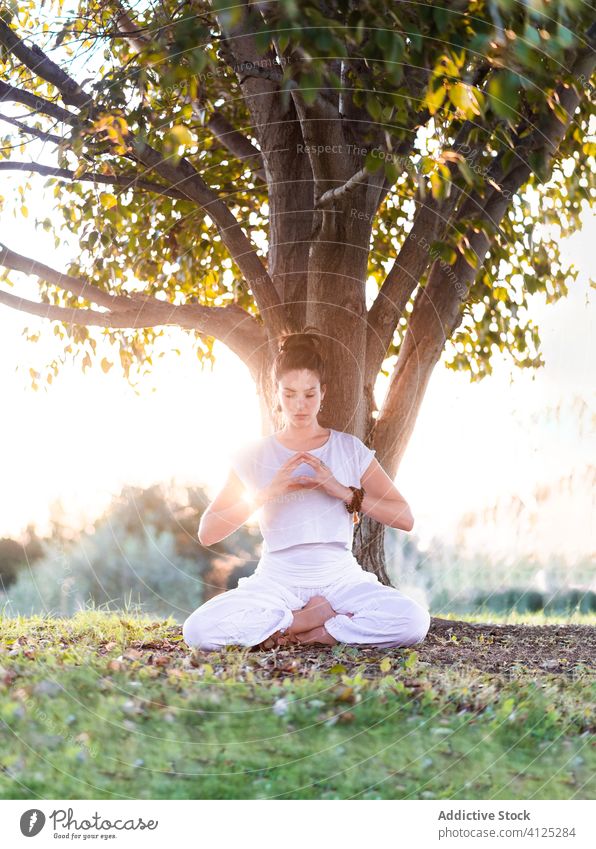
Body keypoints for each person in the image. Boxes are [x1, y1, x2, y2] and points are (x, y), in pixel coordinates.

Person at [183, 327, 431, 651]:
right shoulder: (254, 455)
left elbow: (405, 517)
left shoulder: (348, 449)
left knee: (413, 622)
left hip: (339, 574)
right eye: (289, 394)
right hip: (277, 577)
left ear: (323, 392)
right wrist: (267, 493)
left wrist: (342, 491)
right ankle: (300, 621)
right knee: (198, 631)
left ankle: (326, 630)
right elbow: (208, 532)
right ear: (276, 393)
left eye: (309, 394)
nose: (300, 405)